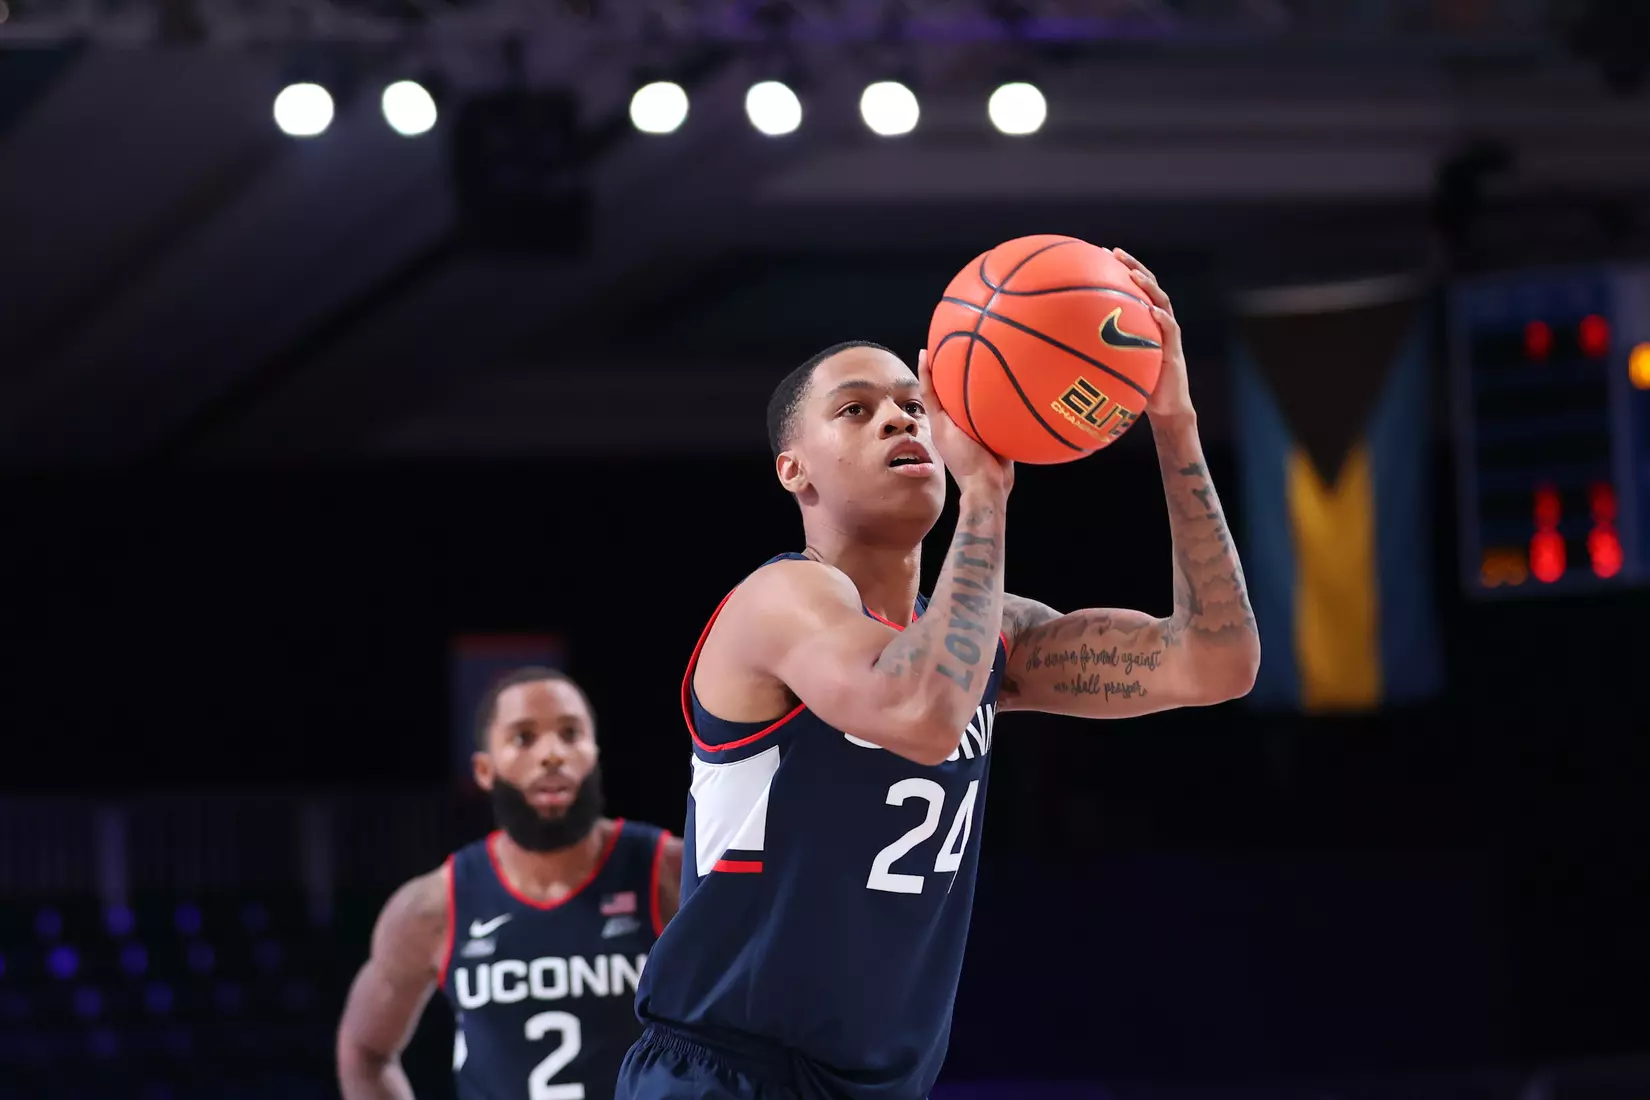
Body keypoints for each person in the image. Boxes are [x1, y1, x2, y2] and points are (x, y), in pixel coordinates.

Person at [616, 250, 1261, 1100]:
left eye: (914, 405)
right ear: (793, 470)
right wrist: (985, 496)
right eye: (857, 410)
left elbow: (1216, 661)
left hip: (878, 1085)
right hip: (729, 1072)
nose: (900, 420)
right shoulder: (780, 599)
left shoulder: (991, 631)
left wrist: (1173, 425)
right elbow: (921, 711)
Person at [337, 667, 684, 1100]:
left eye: (570, 734)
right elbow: (365, 1051)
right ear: (484, 769)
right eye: (524, 738)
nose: (552, 754)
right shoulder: (432, 906)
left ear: (594, 753)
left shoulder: (669, 872)